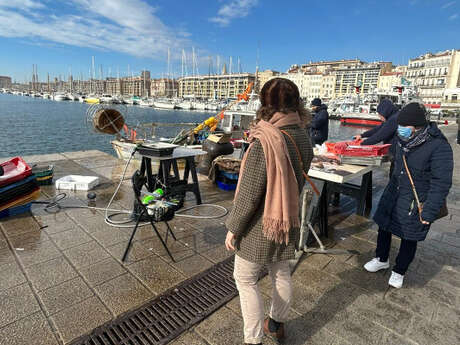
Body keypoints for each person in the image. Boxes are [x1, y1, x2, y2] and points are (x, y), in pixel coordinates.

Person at [225, 78, 313, 345]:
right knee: (281, 271)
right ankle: (275, 324)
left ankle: (253, 340)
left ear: (264, 104)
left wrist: (233, 228)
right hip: (286, 218)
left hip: (259, 225)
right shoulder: (302, 136)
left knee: (245, 279)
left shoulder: (264, 140)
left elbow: (249, 195)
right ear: (296, 102)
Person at [364, 102, 453, 288]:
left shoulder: (439, 147)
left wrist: (429, 211)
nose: (400, 129)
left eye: (404, 126)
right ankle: (381, 258)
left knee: (409, 235)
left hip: (416, 198)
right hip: (394, 191)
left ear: (417, 127)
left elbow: (441, 183)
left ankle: (399, 270)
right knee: (384, 225)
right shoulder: (401, 140)